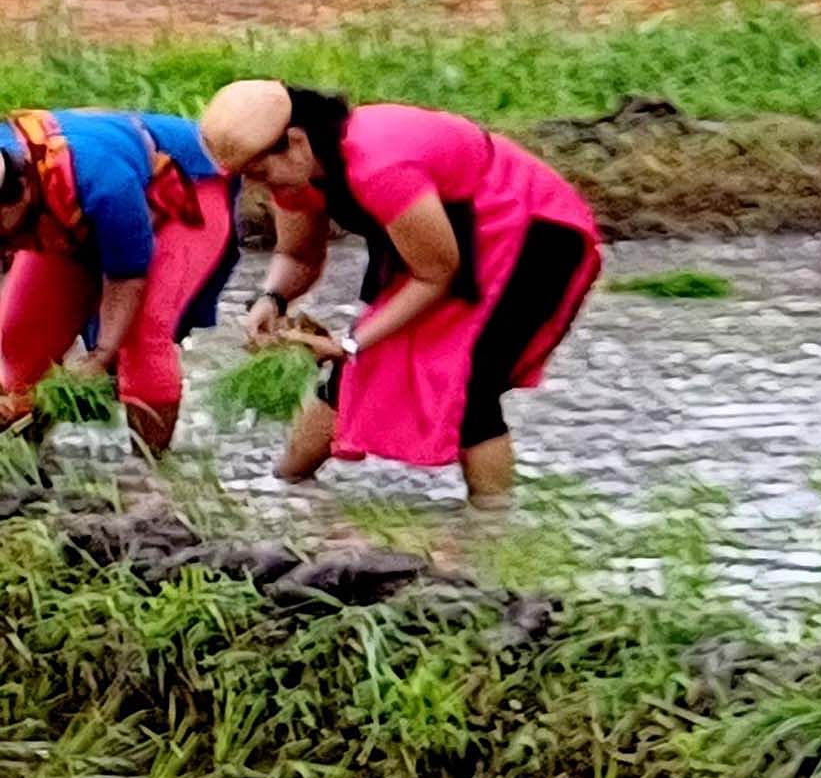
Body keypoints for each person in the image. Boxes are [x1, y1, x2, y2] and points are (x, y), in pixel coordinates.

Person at [196, 80, 605, 509]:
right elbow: (297, 256)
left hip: (528, 231)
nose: (261, 189)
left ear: (296, 142)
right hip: (433, 237)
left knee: (472, 384)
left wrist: (349, 343)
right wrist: (271, 299)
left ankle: (492, 530)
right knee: (354, 370)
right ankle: (286, 487)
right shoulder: (296, 177)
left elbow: (435, 276)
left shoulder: (380, 167)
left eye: (260, 174)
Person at [0, 104, 231, 454]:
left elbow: (126, 277)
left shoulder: (102, 181)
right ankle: (25, 462)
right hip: (68, 213)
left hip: (179, 186)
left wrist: (101, 354)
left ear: (21, 193)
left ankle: (150, 477)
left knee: (140, 335)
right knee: (19, 339)